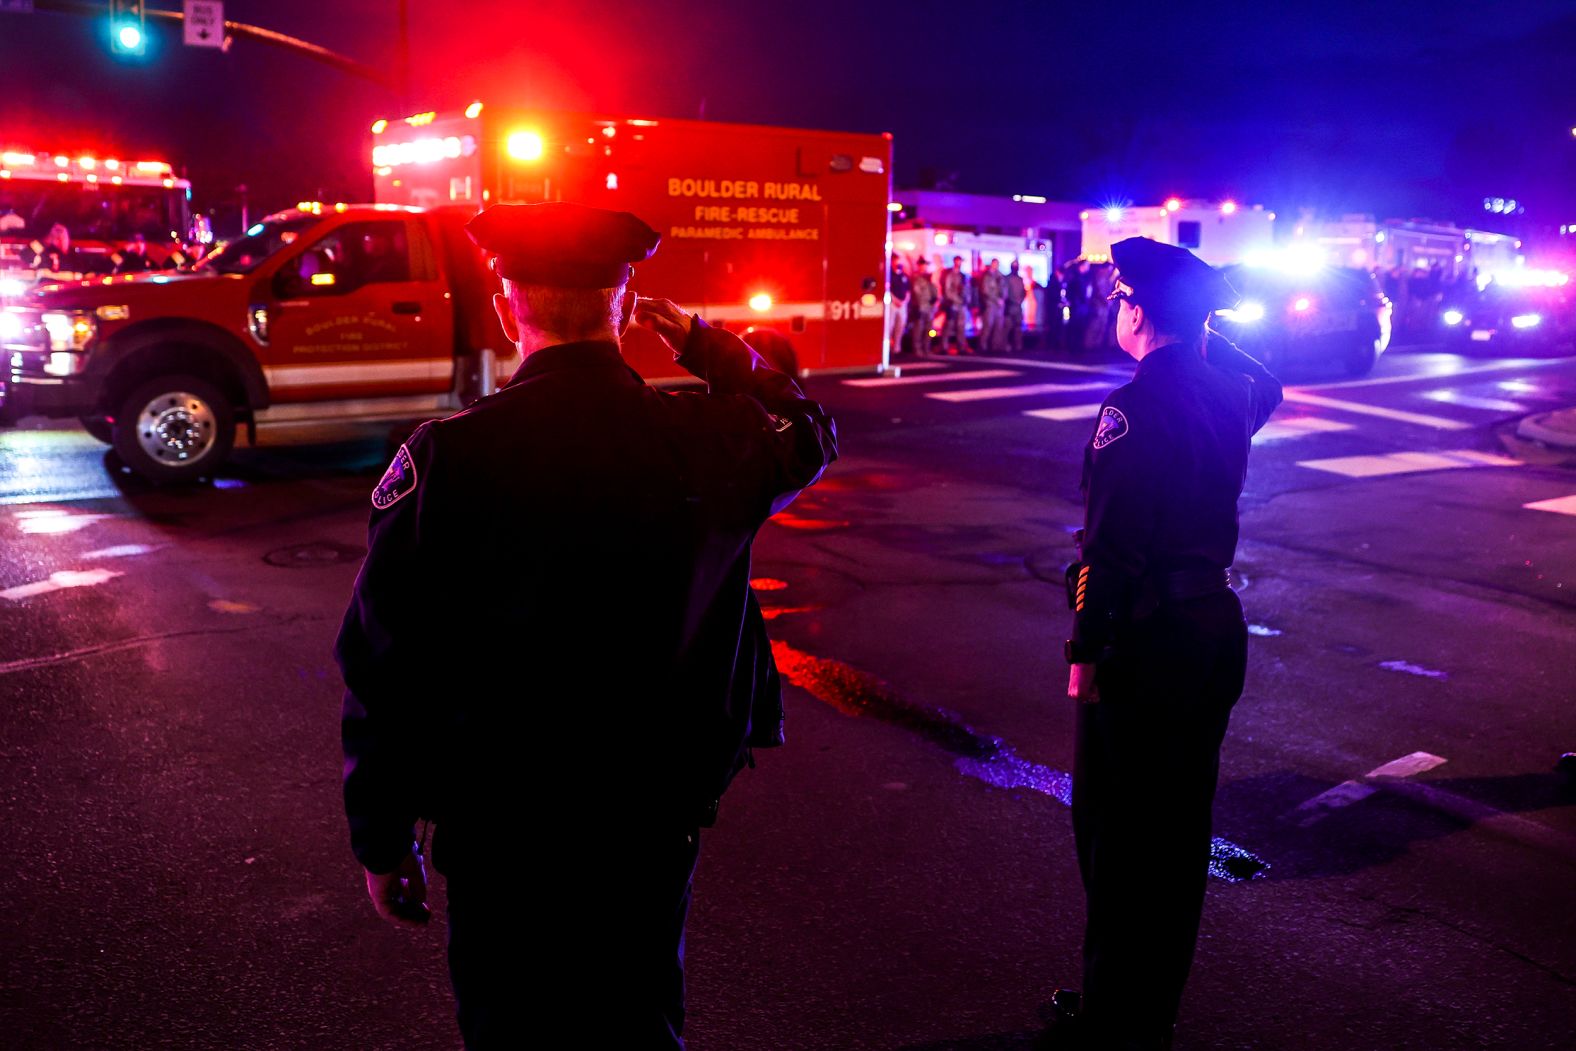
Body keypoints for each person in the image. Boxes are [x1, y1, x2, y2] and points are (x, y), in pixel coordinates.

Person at [335, 201, 838, 1050]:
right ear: (625, 298)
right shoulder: (709, 438)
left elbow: (386, 663)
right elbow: (809, 430)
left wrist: (381, 837)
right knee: (638, 1017)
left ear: (506, 303)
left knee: (511, 1024)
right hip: (651, 813)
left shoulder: (450, 456)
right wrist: (711, 346)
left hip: (502, 822)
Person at [1044, 237, 1282, 1051]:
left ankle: (1114, 1021)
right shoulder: (1231, 394)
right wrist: (1207, 316)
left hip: (1145, 641)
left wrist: (1085, 654)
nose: (1117, 309)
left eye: (1121, 298)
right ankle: (1146, 1009)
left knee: (1115, 834)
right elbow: (1270, 381)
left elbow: (1109, 548)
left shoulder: (1132, 409)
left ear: (1139, 311)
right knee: (1177, 839)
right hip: (1211, 629)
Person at [941, 255, 970, 354]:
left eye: (960, 261)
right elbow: (947, 290)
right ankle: (944, 347)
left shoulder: (963, 275)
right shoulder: (949, 274)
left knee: (961, 326)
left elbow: (966, 289)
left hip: (962, 305)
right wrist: (956, 300)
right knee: (949, 325)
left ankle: (961, 347)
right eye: (957, 261)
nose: (959, 263)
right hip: (952, 304)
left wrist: (966, 300)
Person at [910, 258, 938, 356]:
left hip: (929, 307)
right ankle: (917, 348)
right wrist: (919, 304)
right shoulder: (916, 277)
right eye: (923, 265)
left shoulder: (928, 277)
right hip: (920, 306)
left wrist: (935, 298)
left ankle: (927, 347)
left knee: (929, 329)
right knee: (918, 328)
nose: (924, 267)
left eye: (926, 265)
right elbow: (916, 292)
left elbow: (934, 289)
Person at [978, 258, 1006, 352]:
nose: (996, 266)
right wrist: (996, 299)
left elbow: (1004, 289)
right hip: (990, 304)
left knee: (998, 326)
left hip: (999, 305)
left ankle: (995, 346)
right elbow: (985, 291)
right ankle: (982, 345)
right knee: (988, 325)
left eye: (997, 264)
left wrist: (1002, 299)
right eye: (994, 264)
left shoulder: (1000, 276)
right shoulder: (987, 276)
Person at [889, 254, 912, 355]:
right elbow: (887, 289)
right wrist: (895, 300)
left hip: (903, 304)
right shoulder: (889, 274)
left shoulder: (904, 275)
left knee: (900, 326)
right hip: (892, 303)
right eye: (896, 261)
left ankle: (897, 348)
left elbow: (908, 290)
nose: (898, 263)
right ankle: (887, 347)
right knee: (890, 325)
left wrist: (904, 301)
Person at [1005, 260, 1028, 352]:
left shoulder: (1020, 279)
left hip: (1018, 307)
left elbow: (1023, 291)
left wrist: (1020, 300)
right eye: (1014, 266)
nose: (1015, 268)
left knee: (1018, 328)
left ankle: (1018, 346)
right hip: (1010, 306)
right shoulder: (1007, 278)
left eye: (1016, 266)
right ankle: (1006, 345)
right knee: (1007, 327)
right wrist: (1014, 300)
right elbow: (1006, 292)